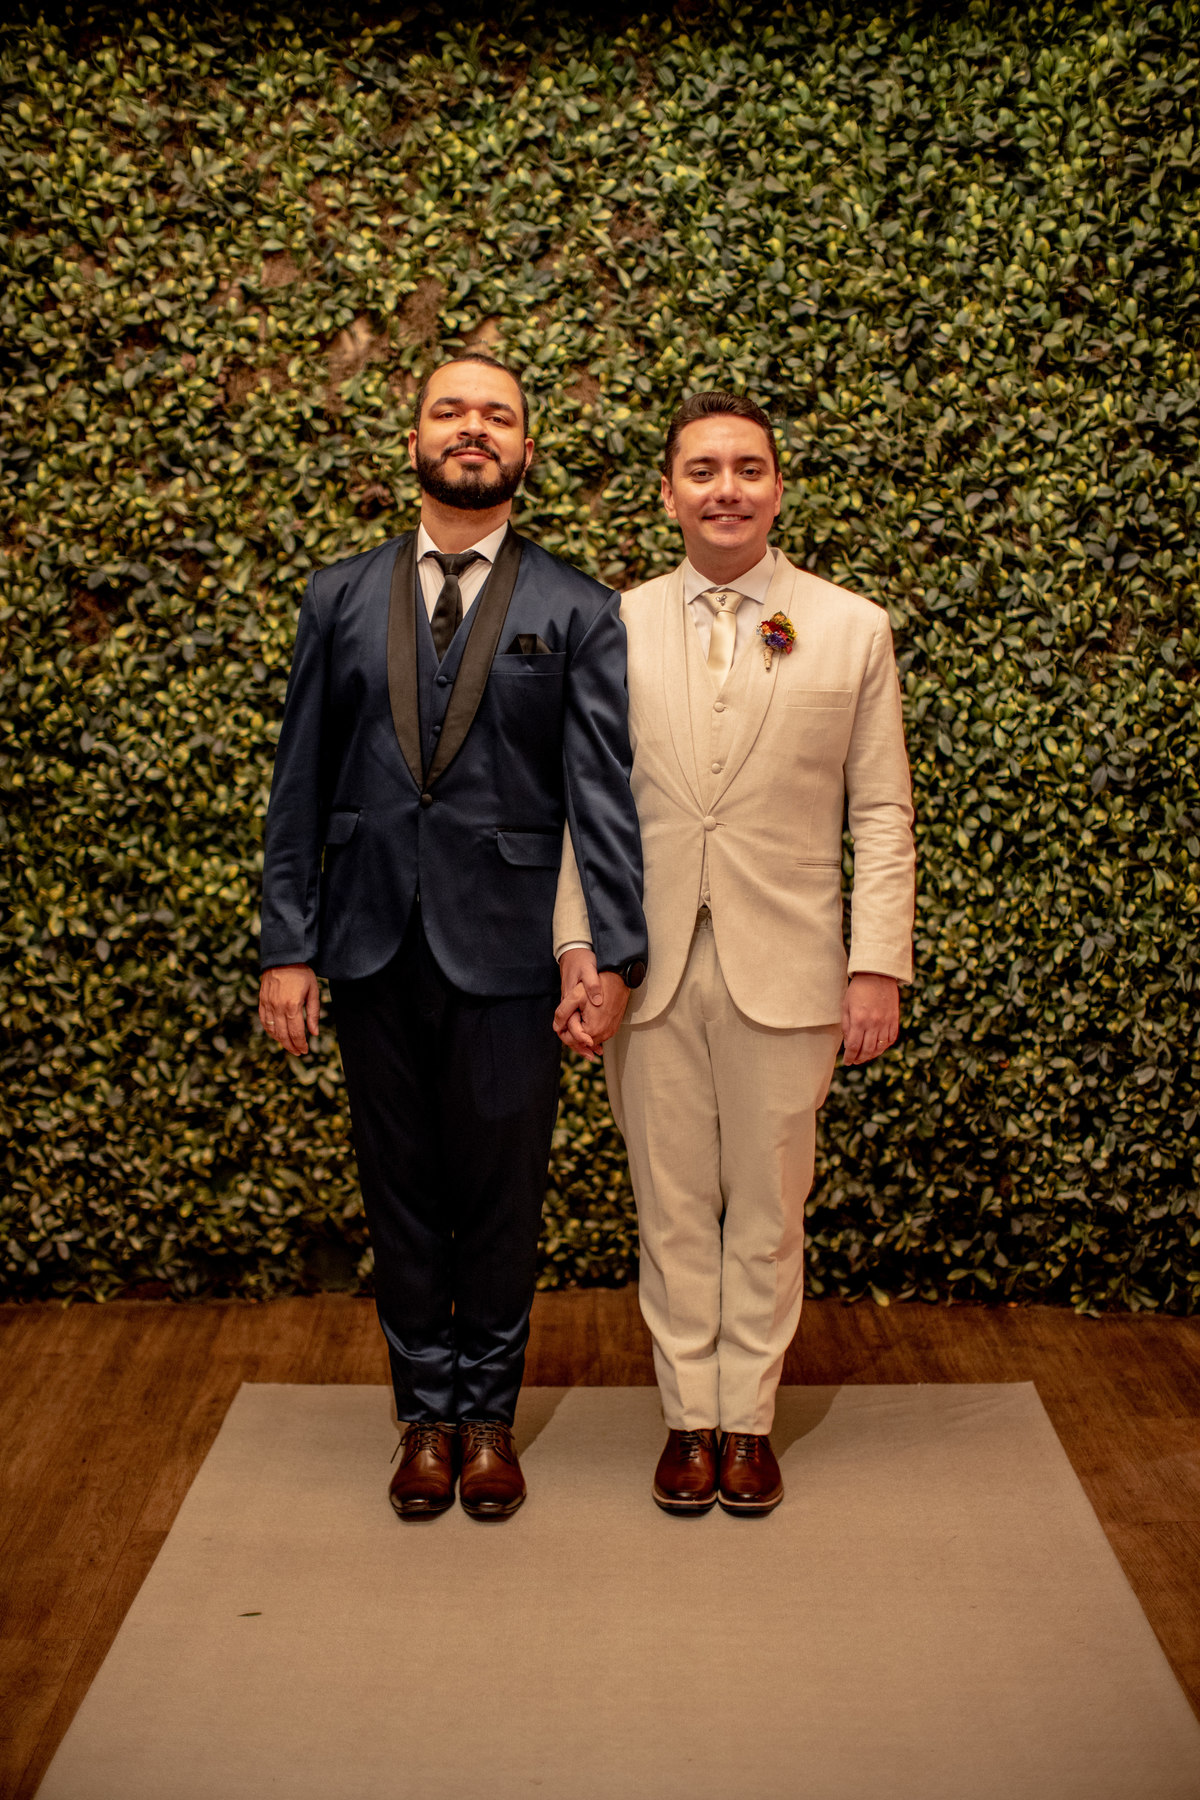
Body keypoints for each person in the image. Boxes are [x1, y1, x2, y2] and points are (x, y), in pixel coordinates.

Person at [258, 353, 647, 1522]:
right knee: (400, 1196)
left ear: (526, 450)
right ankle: (422, 1420)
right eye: (450, 411)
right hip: (369, 941)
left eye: (497, 416)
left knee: (501, 1198)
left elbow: (601, 799)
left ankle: (488, 1422)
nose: (473, 429)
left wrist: (613, 952)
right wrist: (288, 946)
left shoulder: (576, 607)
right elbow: (299, 782)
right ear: (415, 438)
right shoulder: (336, 596)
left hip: (511, 952)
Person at [554, 392, 915, 1516]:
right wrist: (578, 946)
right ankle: (687, 1419)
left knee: (767, 1212)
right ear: (669, 493)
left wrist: (877, 963)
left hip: (791, 967)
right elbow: (583, 807)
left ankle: (747, 1422)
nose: (726, 489)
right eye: (703, 471)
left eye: (748, 469)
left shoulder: (849, 627)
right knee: (670, 1209)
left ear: (777, 487)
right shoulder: (611, 624)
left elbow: (882, 812)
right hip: (645, 968)